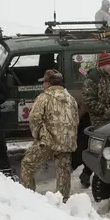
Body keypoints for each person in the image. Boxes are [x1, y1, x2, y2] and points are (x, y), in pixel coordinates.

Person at [21, 70, 79, 202]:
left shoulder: (44, 97)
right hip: (67, 141)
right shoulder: (71, 98)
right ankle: (62, 200)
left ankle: (28, 198)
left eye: (44, 82)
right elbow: (76, 119)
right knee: (63, 171)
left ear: (47, 83)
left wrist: (39, 136)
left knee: (27, 164)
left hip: (48, 140)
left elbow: (34, 118)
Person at [78, 51, 110, 187]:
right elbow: (89, 102)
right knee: (98, 152)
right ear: (102, 65)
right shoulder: (92, 80)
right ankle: (87, 175)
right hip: (101, 123)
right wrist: (106, 112)